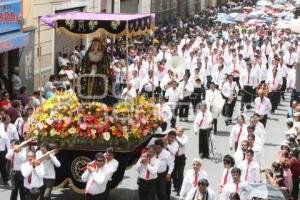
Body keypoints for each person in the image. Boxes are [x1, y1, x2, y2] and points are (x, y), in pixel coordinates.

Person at [172, 127, 188, 195]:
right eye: (179, 131)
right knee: (174, 173)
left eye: (182, 131)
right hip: (173, 158)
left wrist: (176, 137)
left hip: (181, 157)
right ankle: (176, 186)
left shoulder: (185, 137)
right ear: (176, 131)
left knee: (180, 173)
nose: (181, 133)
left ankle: (180, 189)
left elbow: (182, 143)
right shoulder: (172, 136)